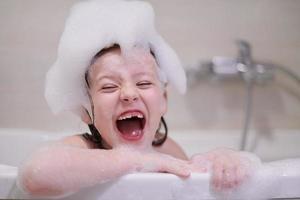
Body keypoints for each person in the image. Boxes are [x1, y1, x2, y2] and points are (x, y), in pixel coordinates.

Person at [17, 0, 261, 198]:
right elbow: (35, 174)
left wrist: (218, 161)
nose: (129, 93)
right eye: (109, 86)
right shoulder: (85, 149)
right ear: (86, 110)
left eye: (143, 83)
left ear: (163, 100)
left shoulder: (167, 150)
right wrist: (132, 160)